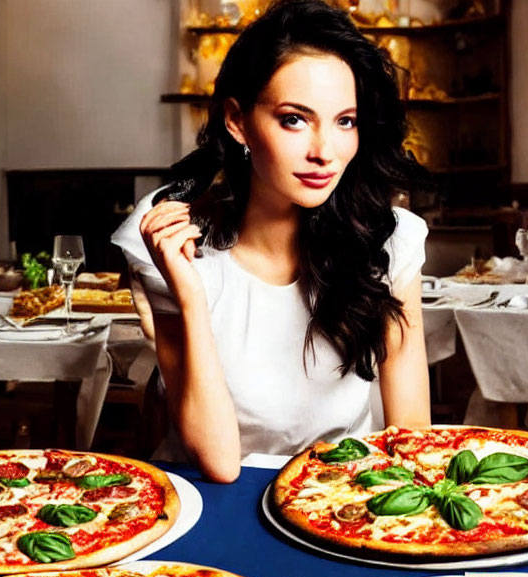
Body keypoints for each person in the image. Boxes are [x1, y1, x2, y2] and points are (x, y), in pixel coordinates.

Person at [112, 0, 431, 482]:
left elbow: (413, 441)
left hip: (342, 500)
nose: (325, 152)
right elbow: (219, 463)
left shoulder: (387, 239)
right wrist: (191, 296)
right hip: (213, 505)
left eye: (345, 121)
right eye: (294, 119)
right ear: (237, 120)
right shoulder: (172, 236)